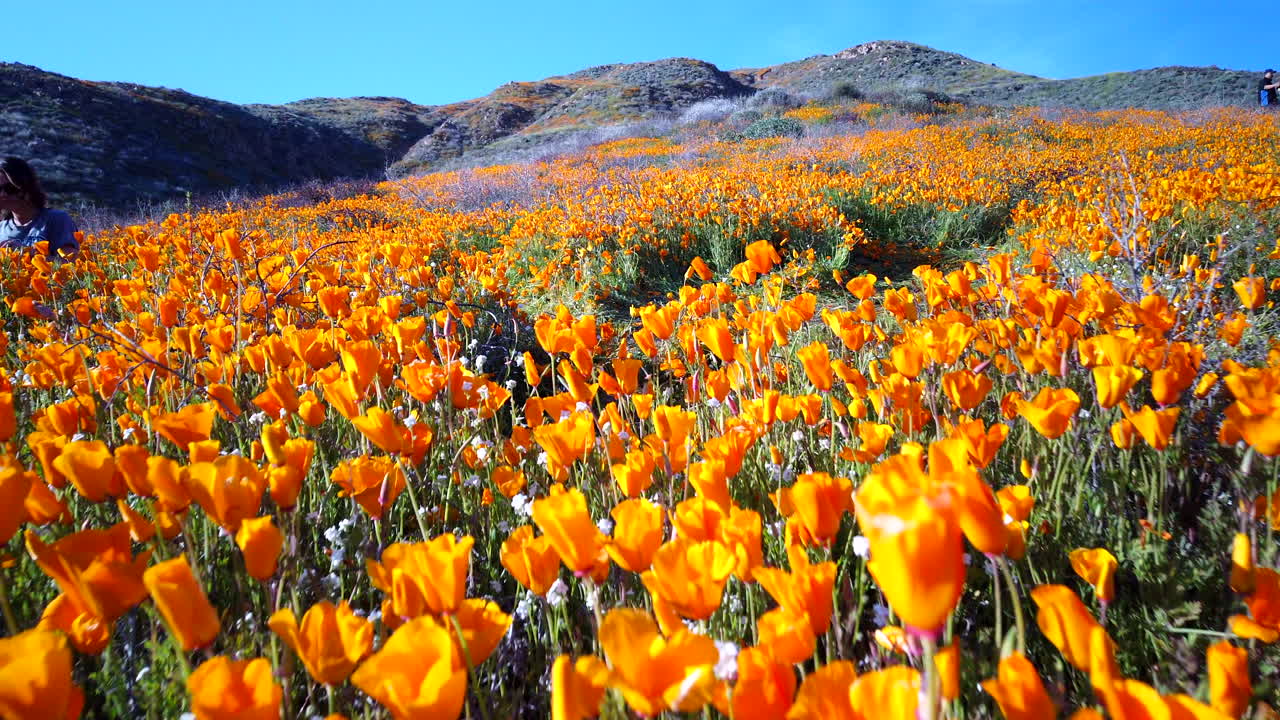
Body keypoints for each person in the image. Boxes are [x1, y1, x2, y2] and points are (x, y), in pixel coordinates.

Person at [0, 157, 79, 258]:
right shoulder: (1, 228)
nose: (2, 195)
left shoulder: (57, 219)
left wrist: (26, 254)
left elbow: (71, 263)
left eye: (10, 188)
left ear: (26, 186)